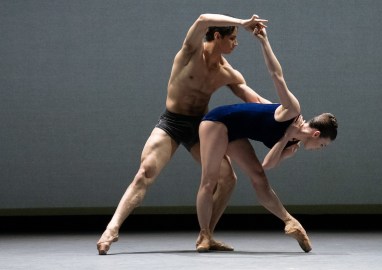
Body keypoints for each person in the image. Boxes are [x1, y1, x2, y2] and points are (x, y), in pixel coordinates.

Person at [96, 14, 271, 255]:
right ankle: (111, 230)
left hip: (201, 126)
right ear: (217, 36)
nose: (236, 43)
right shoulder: (190, 52)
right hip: (172, 122)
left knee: (228, 178)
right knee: (145, 172)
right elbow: (203, 19)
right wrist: (242, 22)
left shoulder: (228, 73)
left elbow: (257, 101)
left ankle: (206, 235)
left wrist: (290, 118)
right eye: (232, 38)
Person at [195, 26, 338, 253]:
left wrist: (286, 139)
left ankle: (290, 221)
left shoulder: (292, 145)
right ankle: (204, 236)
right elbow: (276, 75)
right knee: (209, 180)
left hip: (236, 132)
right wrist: (264, 41)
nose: (319, 149)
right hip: (217, 121)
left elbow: (266, 165)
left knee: (259, 178)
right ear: (316, 134)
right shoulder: (292, 110)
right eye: (322, 145)